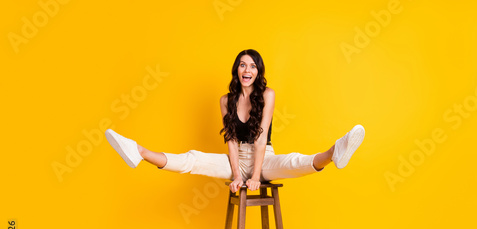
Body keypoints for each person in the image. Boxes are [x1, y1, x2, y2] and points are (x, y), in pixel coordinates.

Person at [105, 49, 365, 193]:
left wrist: (255, 176)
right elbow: (229, 140)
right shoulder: (224, 100)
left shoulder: (268, 95)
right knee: (193, 159)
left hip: (264, 157)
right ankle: (137, 151)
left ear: (258, 71)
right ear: (236, 70)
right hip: (235, 159)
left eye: (252, 66)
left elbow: (262, 138)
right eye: (242, 65)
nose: (247, 70)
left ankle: (335, 151)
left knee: (295, 161)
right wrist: (239, 175)